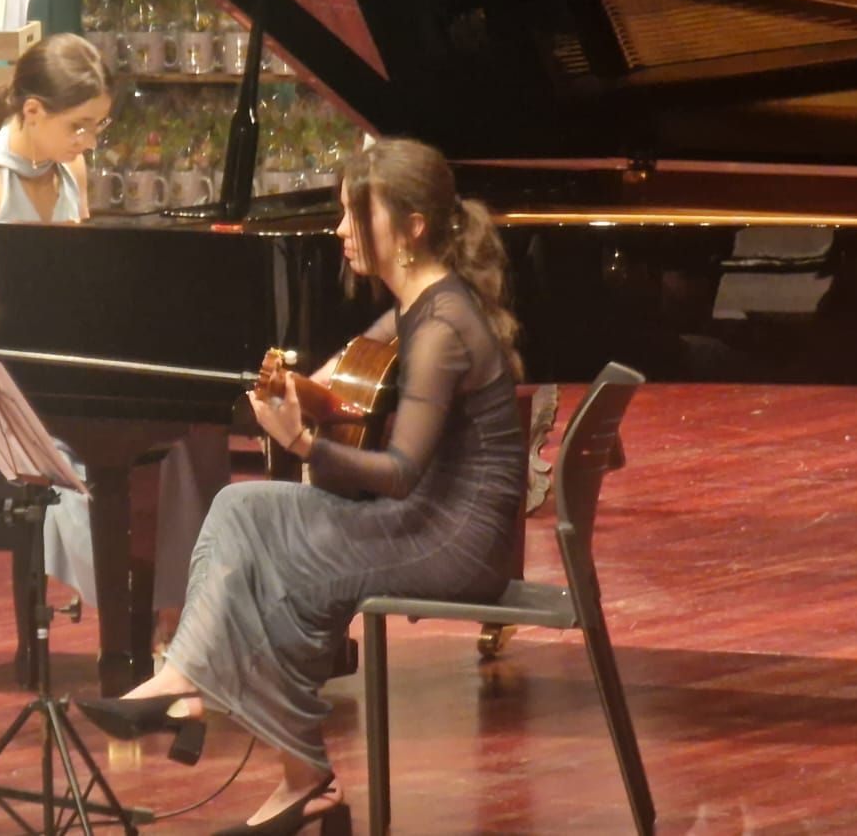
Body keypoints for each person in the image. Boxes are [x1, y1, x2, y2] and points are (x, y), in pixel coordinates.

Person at [76, 138, 527, 835]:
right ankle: (188, 691)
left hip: (456, 539)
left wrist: (301, 442)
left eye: (356, 215)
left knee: (285, 568)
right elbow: (357, 400)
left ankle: (298, 772)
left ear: (409, 227)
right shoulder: (420, 304)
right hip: (432, 519)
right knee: (238, 506)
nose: (342, 230)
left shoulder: (442, 326)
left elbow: (403, 472)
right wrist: (303, 396)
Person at [0, 33, 229, 691]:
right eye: (80, 125)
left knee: (186, 425)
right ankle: (127, 635)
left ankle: (181, 618)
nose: (90, 141)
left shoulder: (70, 171)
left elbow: (70, 281)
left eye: (99, 126)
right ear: (32, 111)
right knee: (96, 444)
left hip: (42, 357)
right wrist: (52, 331)